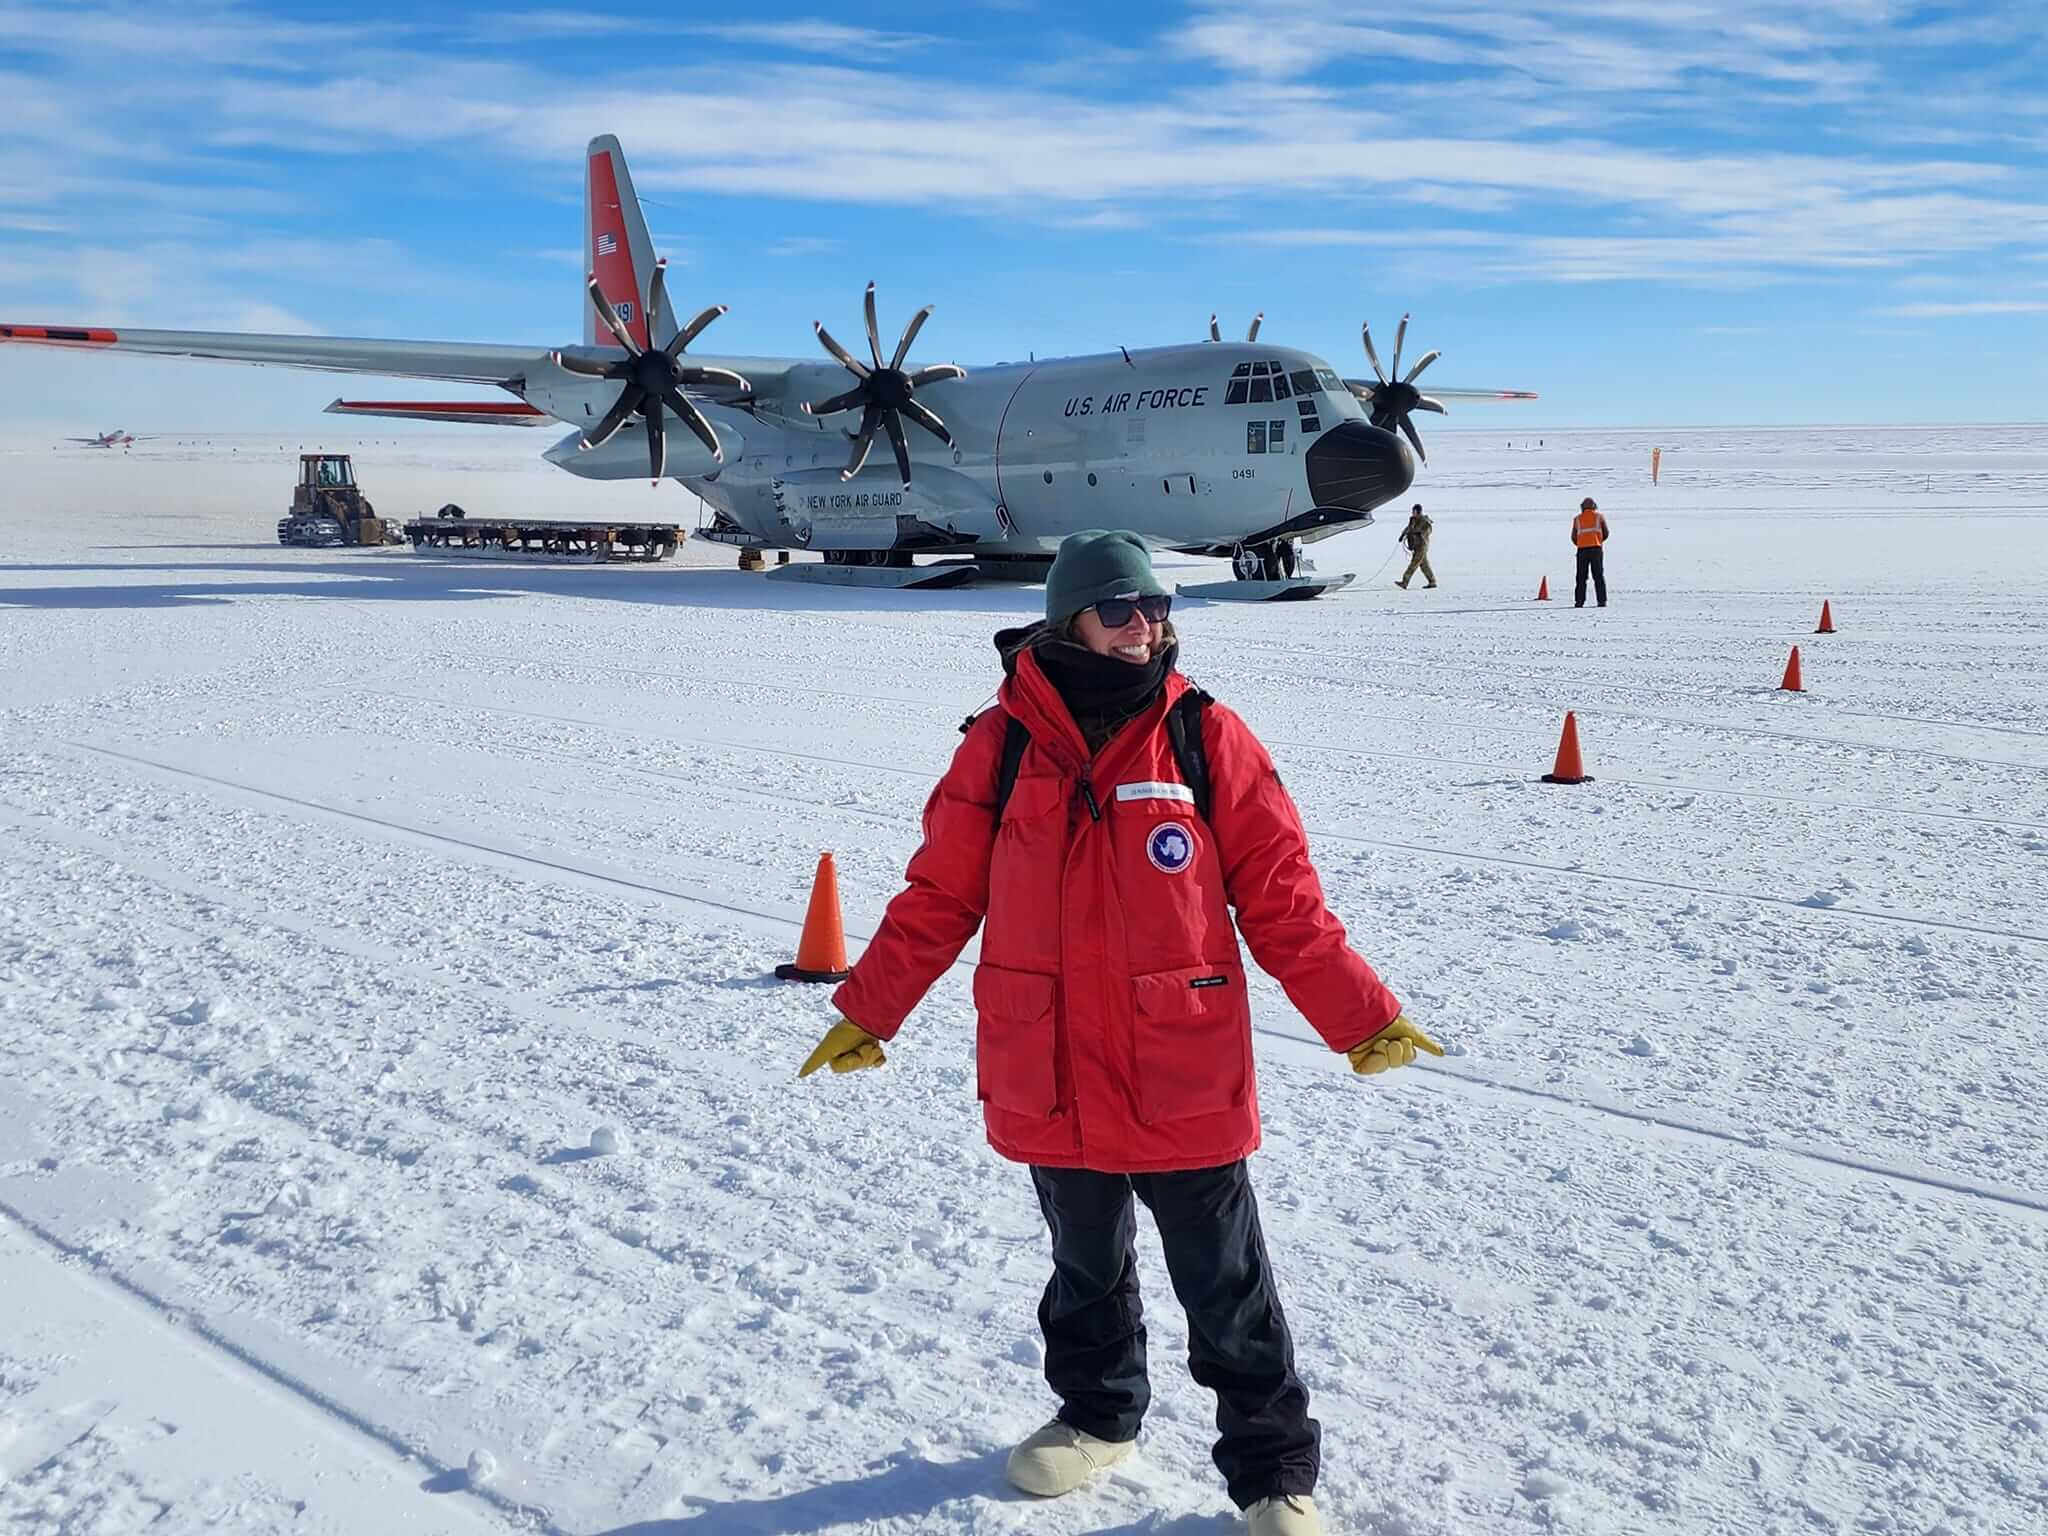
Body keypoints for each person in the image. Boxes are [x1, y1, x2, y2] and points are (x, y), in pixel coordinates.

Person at [798, 529, 1442, 1536]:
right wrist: (868, 1008)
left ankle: (1272, 1473)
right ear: (1070, 620)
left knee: (1224, 1284)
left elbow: (1281, 899)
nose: (1146, 627)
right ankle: (1097, 1418)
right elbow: (938, 895)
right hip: (1045, 1060)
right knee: (1083, 1269)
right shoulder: (998, 742)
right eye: (1120, 609)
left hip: (1175, 1062)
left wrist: (1361, 1014)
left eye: (1155, 608)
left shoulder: (1202, 735)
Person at [1571, 495, 1611, 607]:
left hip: (1582, 549)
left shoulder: (1577, 519)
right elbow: (1606, 533)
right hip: (1596, 549)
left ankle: (1579, 601)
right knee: (1598, 576)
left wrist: (1581, 543)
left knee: (1581, 577)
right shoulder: (1599, 517)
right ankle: (1602, 601)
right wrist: (1598, 540)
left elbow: (1573, 536)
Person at [1395, 502, 1436, 589]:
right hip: (1416, 546)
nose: (1412, 513)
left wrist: (1417, 532)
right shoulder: (1413, 520)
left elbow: (1427, 531)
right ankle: (1432, 582)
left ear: (1418, 512)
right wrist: (1402, 535)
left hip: (1422, 546)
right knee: (1424, 565)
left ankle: (1404, 582)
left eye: (1414, 511)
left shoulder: (1425, 522)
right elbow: (1408, 528)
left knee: (1413, 564)